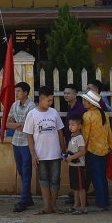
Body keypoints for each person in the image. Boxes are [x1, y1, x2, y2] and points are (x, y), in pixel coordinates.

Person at [23, 86, 65, 215]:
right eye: (48, 100)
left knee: (55, 180)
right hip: (40, 154)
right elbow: (29, 135)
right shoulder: (32, 114)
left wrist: (63, 150)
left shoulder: (54, 113)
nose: (50, 103)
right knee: (43, 179)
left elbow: (60, 132)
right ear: (41, 99)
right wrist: (33, 154)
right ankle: (47, 206)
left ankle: (54, 205)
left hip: (55, 154)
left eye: (51, 100)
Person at [5, 82, 36, 213]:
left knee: (26, 170)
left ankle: (23, 200)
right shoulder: (14, 105)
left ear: (25, 93)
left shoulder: (31, 106)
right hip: (16, 141)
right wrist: (20, 124)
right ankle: (27, 197)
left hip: (27, 143)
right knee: (21, 171)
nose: (16, 93)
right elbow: (7, 124)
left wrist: (16, 124)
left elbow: (29, 126)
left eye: (18, 91)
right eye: (15, 90)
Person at [80, 90, 112, 211]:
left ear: (91, 103)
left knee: (96, 177)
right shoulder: (105, 115)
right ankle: (105, 201)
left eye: (86, 101)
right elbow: (109, 133)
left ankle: (101, 203)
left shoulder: (87, 116)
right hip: (104, 149)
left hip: (92, 150)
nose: (84, 102)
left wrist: (82, 150)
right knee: (102, 176)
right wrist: (111, 147)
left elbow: (85, 135)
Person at [61, 85, 89, 205]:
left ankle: (83, 204)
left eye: (68, 93)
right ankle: (76, 203)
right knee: (74, 181)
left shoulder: (81, 109)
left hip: (79, 150)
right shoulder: (70, 108)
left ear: (75, 94)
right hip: (71, 147)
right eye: (64, 93)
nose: (66, 95)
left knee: (80, 180)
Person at [64, 115, 88, 214]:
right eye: (69, 124)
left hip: (78, 165)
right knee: (75, 187)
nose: (70, 127)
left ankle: (83, 207)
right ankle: (76, 205)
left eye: (73, 125)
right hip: (72, 165)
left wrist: (71, 158)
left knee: (80, 187)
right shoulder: (72, 136)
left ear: (79, 126)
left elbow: (83, 152)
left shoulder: (79, 137)